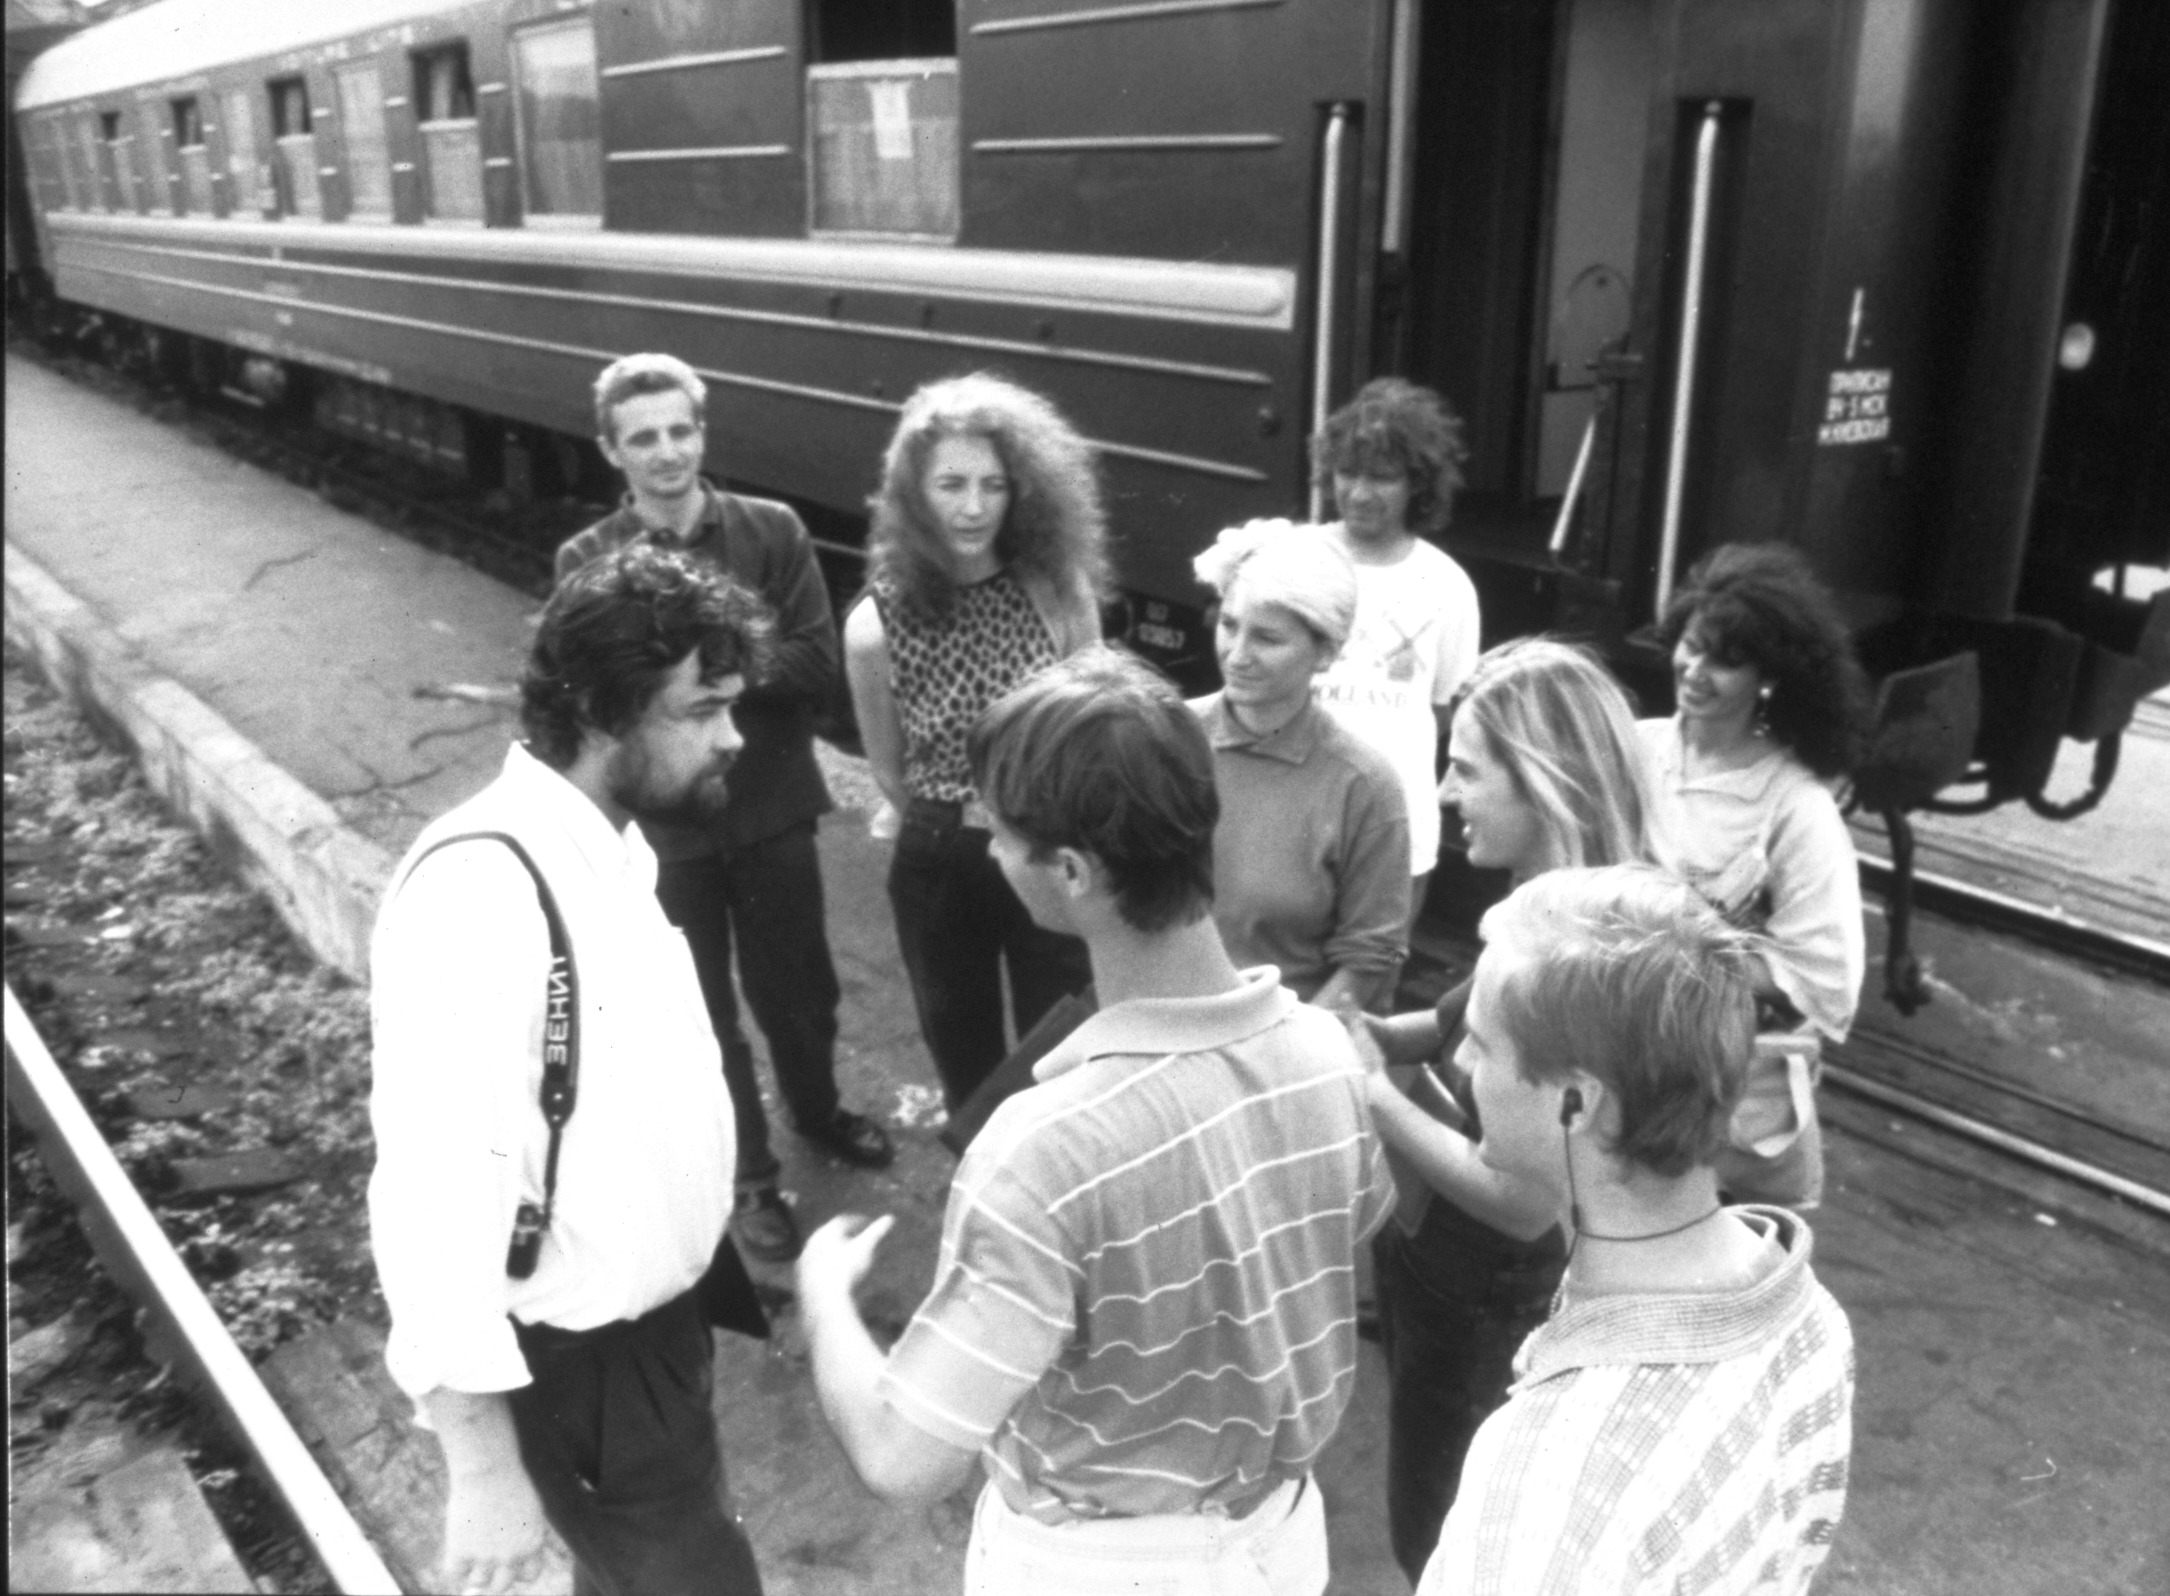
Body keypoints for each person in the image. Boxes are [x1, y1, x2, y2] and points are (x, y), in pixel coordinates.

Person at [797, 648, 1397, 1596]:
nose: (992, 853)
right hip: (1281, 1540)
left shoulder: (1040, 1151)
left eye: (999, 833)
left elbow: (900, 1458)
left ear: (1071, 870)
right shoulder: (1328, 1053)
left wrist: (823, 1294)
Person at [369, 545, 774, 1596]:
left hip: (655, 1339)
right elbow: (427, 1192)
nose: (733, 736)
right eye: (701, 708)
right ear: (600, 710)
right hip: (585, 1365)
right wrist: (483, 1469)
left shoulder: (609, 850)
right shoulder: (482, 893)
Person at [1415, 865, 1855, 1596]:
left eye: (1485, 1045)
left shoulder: (1540, 1494)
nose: (1461, 1059)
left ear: (1578, 1102)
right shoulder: (1812, 1319)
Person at [556, 353, 891, 1267]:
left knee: (801, 996)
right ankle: (749, 1177)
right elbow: (596, 704)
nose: (667, 453)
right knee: (698, 1014)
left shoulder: (772, 532)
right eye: (643, 438)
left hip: (774, 806)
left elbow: (819, 671)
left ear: (703, 434)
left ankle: (819, 1114)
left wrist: (683, 684)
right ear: (611, 452)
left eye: (681, 431)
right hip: (665, 835)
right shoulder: (586, 561)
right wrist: (747, 664)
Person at [1352, 637, 1656, 1582]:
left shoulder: (1580, 960)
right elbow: (1438, 1026)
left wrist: (1362, 1088)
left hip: (1481, 1293)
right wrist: (1347, 1027)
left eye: (1467, 770)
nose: (1446, 793)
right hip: (1431, 1260)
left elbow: (1520, 1196)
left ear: (1544, 781)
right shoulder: (1543, 908)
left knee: (1438, 1537)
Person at [843, 372, 1106, 1111]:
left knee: (1058, 1056)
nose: (973, 507)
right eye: (951, 484)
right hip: (941, 863)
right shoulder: (875, 624)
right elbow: (890, 771)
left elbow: (1094, 723)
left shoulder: (1058, 590)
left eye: (993, 485)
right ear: (913, 493)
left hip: (1051, 851)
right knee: (964, 1061)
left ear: (1022, 489)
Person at [1641, 541, 1871, 1207]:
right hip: (1628, 1054)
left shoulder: (1796, 807)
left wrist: (1670, 948)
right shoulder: (1636, 745)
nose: (1696, 670)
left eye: (1727, 661)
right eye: (1692, 643)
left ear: (1768, 678)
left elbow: (1824, 978)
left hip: (1721, 1085)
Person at [1189, 519, 1410, 1017]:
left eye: (1267, 638)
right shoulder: (1165, 739)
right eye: (1228, 625)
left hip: (1283, 1047)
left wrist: (1288, 1054)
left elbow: (1374, 956)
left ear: (1326, 652)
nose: (1237, 655)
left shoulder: (1365, 785)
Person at [1309, 378, 1483, 917]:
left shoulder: (1445, 583)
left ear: (1417, 485)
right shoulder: (1294, 558)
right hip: (1297, 811)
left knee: (1368, 982)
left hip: (1395, 821)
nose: (1360, 492)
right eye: (1348, 472)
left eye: (1381, 477)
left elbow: (1446, 705)